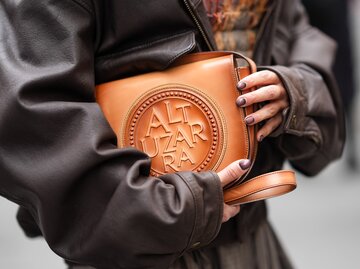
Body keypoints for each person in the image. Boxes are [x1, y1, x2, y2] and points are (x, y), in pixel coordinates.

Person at [0, 0, 344, 269]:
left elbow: (300, 36)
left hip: (252, 241)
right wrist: (167, 209)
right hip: (134, 255)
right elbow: (32, 114)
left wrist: (294, 92)